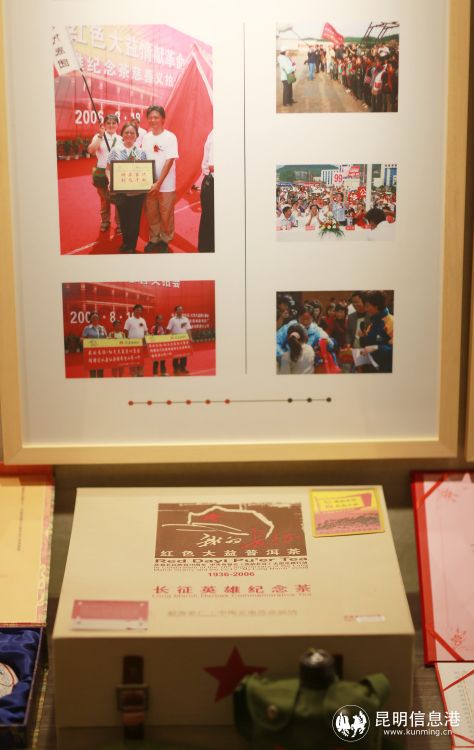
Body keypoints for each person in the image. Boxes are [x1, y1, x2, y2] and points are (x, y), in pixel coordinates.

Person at [142, 105, 179, 253]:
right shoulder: (146, 138)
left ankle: (165, 239)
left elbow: (169, 161)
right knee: (152, 213)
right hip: (149, 184)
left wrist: (159, 183)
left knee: (166, 214)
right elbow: (143, 159)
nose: (153, 120)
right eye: (150, 117)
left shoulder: (170, 137)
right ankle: (154, 238)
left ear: (163, 119)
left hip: (166, 185)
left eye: (156, 117)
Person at [107, 122, 147, 253]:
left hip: (137, 194)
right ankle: (125, 242)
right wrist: (110, 181)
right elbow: (108, 169)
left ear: (136, 136)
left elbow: (145, 172)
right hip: (121, 193)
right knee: (123, 220)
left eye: (132, 133)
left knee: (134, 220)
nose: (129, 135)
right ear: (122, 135)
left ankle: (131, 246)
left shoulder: (141, 152)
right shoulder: (115, 150)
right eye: (126, 132)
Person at [87, 114, 122, 233]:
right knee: (104, 199)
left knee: (118, 199)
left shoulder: (121, 139)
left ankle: (120, 223)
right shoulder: (98, 136)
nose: (111, 125)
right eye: (108, 123)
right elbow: (91, 150)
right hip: (102, 171)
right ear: (104, 125)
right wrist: (100, 135)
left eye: (114, 123)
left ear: (117, 125)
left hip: (117, 172)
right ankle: (105, 221)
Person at [359, 290, 394, 373]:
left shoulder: (391, 322)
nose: (365, 309)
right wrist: (363, 338)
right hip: (372, 366)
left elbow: (395, 350)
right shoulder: (373, 321)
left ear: (377, 305)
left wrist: (376, 347)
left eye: (367, 306)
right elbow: (369, 344)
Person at [197, 130, 214, 252]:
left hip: (212, 182)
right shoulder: (217, 135)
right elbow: (213, 166)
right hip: (212, 183)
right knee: (209, 222)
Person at [167, 305, 193, 375]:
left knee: (184, 355)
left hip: (184, 339)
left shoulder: (186, 319)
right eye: (179, 309)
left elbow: (188, 329)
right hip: (175, 340)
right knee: (175, 355)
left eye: (181, 309)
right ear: (175, 311)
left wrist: (190, 338)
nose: (181, 311)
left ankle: (183, 368)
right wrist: (170, 338)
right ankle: (176, 369)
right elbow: (169, 329)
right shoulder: (172, 320)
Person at [124, 304, 148, 376]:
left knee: (141, 359)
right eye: (137, 310)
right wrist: (129, 341)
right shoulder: (129, 320)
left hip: (141, 343)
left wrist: (144, 341)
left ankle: (140, 372)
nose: (139, 311)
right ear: (134, 310)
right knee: (133, 359)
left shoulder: (143, 320)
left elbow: (145, 331)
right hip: (132, 343)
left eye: (140, 310)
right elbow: (125, 331)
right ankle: (133, 373)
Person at [82, 312, 107, 378]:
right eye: (93, 317)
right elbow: (82, 339)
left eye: (97, 317)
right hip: (92, 352)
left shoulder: (102, 328)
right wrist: (86, 341)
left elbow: (106, 338)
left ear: (98, 319)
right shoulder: (87, 328)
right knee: (92, 371)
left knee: (100, 370)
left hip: (101, 352)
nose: (95, 319)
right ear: (90, 319)